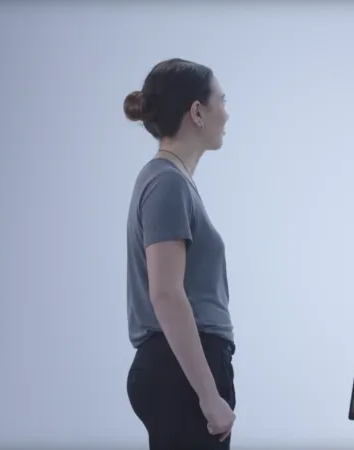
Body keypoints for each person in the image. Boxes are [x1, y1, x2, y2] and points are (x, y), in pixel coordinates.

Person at [123, 58, 237, 449]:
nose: (227, 113)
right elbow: (166, 293)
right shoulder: (167, 183)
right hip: (182, 372)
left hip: (179, 369)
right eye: (221, 100)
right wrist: (208, 395)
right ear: (197, 112)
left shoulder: (172, 182)